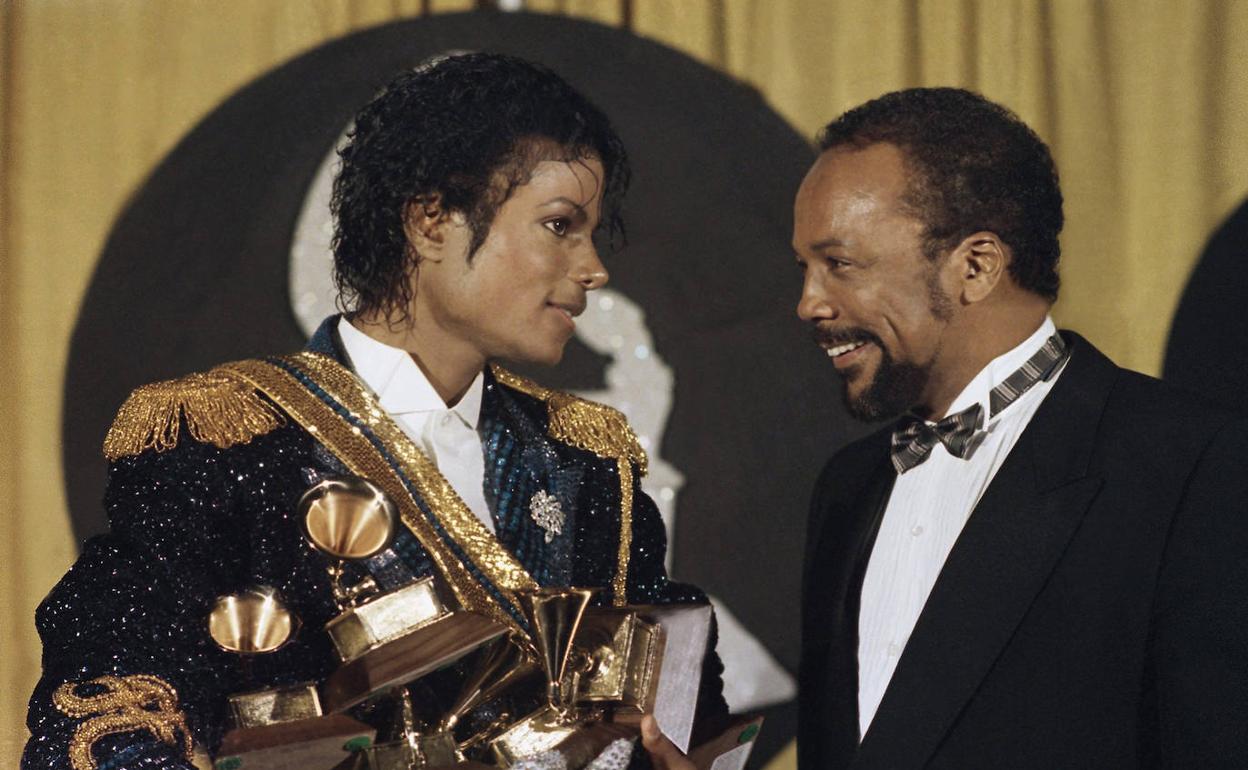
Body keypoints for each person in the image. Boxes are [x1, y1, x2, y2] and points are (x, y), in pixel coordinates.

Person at [24, 53, 723, 770]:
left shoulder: (589, 463)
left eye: (591, 233)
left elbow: (683, 716)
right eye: (559, 225)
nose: (592, 268)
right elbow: (109, 702)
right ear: (430, 221)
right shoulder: (223, 442)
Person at [793, 87, 1248, 769]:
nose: (808, 302)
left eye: (840, 264)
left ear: (975, 266)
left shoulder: (1192, 464)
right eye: (804, 267)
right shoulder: (848, 488)